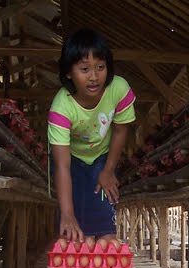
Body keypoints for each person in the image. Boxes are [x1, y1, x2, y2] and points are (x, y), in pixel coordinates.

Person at [48, 28, 136, 241]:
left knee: (104, 219)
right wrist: (67, 214)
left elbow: (120, 130)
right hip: (72, 159)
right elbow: (62, 165)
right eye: (84, 69)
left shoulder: (119, 89)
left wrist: (108, 169)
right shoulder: (61, 108)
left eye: (100, 67)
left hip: (102, 154)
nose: (94, 76)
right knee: (71, 222)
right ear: (69, 72)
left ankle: (103, 254)